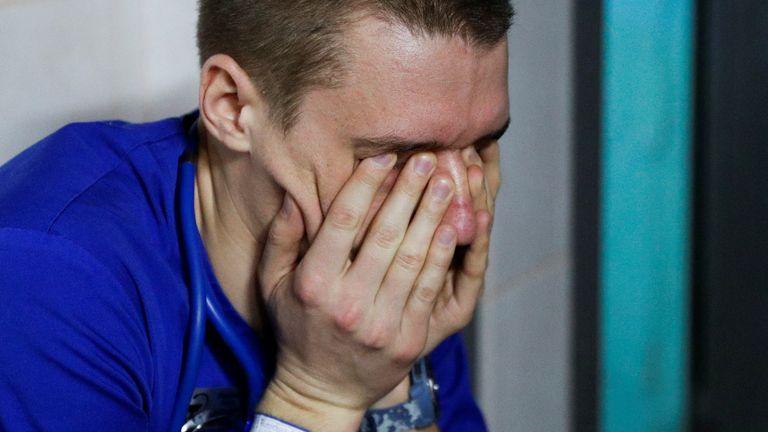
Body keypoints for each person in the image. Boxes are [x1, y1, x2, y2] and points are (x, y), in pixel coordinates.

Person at [0, 1, 513, 430]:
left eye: (482, 144)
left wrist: (391, 392)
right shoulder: (45, 274)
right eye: (401, 160)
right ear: (230, 107)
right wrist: (318, 399)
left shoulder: (386, 260)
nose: (461, 222)